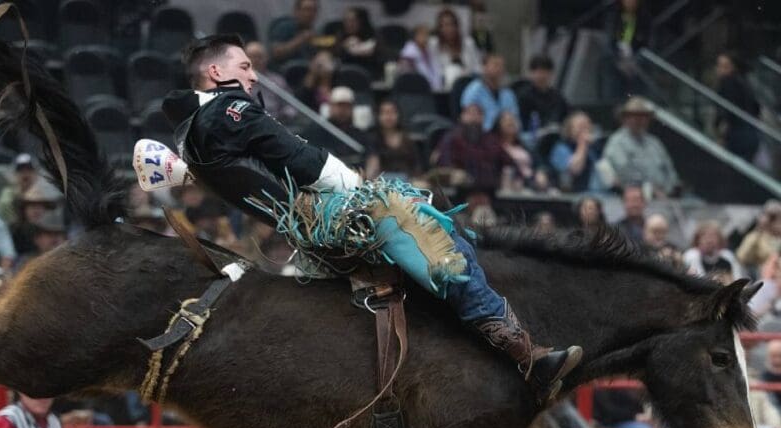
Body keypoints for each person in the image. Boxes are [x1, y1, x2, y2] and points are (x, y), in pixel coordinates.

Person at [162, 34, 581, 404]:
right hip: (329, 214)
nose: (254, 76)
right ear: (216, 71)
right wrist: (355, 187)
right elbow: (293, 154)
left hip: (308, 224)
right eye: (245, 66)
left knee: (438, 233)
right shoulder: (226, 110)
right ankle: (527, 358)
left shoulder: (197, 126)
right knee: (438, 249)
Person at [600, 97, 679, 196]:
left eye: (643, 116)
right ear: (625, 118)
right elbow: (624, 173)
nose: (639, 120)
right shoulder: (616, 142)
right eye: (635, 116)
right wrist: (651, 190)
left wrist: (669, 190)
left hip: (665, 196)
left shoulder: (654, 142)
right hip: (635, 198)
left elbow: (670, 170)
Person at [432, 100, 510, 195]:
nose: (474, 118)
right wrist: (453, 173)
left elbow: (508, 163)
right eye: (470, 113)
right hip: (459, 192)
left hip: (490, 191)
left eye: (478, 114)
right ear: (461, 117)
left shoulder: (491, 140)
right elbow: (443, 162)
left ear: (483, 118)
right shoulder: (451, 138)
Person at [300, 86, 371, 169]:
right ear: (330, 106)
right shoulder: (316, 131)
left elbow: (370, 157)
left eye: (347, 106)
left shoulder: (359, 134)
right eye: (339, 105)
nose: (343, 110)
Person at [714, 52, 761, 163]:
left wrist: (721, 133)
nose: (720, 70)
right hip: (750, 132)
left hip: (737, 134)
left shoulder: (728, 83)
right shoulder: (744, 82)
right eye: (719, 66)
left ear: (733, 67)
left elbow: (726, 111)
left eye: (725, 66)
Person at [459, 53, 520, 132]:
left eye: (502, 66)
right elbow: (468, 122)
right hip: (481, 139)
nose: (499, 69)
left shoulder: (508, 94)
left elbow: (516, 122)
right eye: (495, 65)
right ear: (484, 67)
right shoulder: (473, 92)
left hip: (506, 139)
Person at [364, 100, 421, 180]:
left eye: (392, 112)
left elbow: (416, 167)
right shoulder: (373, 139)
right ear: (378, 116)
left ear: (398, 115)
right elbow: (372, 167)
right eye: (384, 112)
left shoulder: (408, 139)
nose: (389, 116)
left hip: (408, 183)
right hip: (383, 183)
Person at [515, 54, 569, 137]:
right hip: (532, 136)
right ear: (531, 73)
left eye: (544, 71)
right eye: (537, 71)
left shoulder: (558, 97)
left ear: (551, 73)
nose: (541, 76)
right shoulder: (523, 96)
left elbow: (566, 116)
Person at [548, 111, 602, 193]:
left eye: (587, 126)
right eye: (580, 126)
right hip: (572, 194)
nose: (584, 130)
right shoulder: (561, 148)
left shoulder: (594, 148)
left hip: (596, 193)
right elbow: (575, 169)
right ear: (570, 129)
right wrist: (582, 143)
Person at [430, 8, 482, 91]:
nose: (448, 29)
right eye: (444, 25)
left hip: (468, 86)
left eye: (451, 24)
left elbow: (477, 68)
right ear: (439, 28)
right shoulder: (434, 44)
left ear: (457, 26)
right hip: (443, 89)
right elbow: (434, 70)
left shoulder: (468, 43)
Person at [269, 0, 321, 67]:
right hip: (285, 71)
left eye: (314, 10)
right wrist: (301, 39)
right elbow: (276, 53)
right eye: (307, 9)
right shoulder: (284, 27)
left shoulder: (315, 32)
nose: (310, 14)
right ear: (297, 11)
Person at [736, 201, 781, 276]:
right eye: (771, 218)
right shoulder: (756, 236)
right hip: (762, 276)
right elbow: (741, 257)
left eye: (776, 217)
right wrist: (759, 229)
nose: (772, 221)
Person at [0, 153, 39, 227]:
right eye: (20, 170)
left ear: (36, 174)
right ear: (14, 174)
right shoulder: (8, 196)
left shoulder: (45, 194)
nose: (25, 173)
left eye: (29, 169)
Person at [334, 6, 378, 75]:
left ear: (361, 21)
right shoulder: (341, 35)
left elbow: (373, 54)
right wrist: (343, 46)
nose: (349, 24)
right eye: (346, 20)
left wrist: (357, 47)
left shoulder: (372, 35)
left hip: (369, 72)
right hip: (344, 73)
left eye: (352, 21)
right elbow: (337, 56)